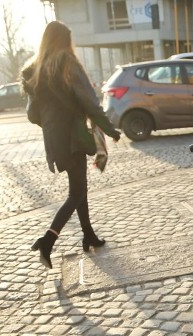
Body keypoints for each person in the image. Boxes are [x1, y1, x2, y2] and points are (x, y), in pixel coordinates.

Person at [20, 20, 121, 269]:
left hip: (55, 141)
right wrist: (110, 129)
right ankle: (48, 241)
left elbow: (32, 115)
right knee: (76, 193)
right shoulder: (67, 64)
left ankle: (88, 235)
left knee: (79, 188)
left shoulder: (35, 70)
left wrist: (53, 124)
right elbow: (90, 101)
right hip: (73, 137)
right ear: (65, 40)